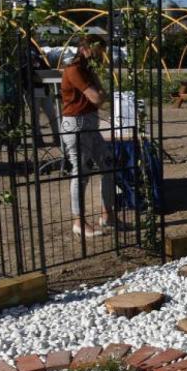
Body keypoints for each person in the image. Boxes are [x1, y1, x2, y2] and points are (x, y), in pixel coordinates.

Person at [60, 34, 116, 238]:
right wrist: (99, 94)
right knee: (80, 172)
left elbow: (103, 95)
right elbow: (97, 97)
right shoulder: (74, 70)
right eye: (98, 51)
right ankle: (79, 222)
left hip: (90, 122)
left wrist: (100, 93)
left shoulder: (88, 70)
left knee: (108, 165)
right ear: (85, 49)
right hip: (76, 124)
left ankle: (107, 215)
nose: (101, 56)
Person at [29, 46, 60, 146]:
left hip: (44, 90)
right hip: (33, 91)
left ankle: (57, 137)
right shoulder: (26, 63)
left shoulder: (41, 61)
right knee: (35, 116)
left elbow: (48, 71)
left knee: (52, 114)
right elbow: (26, 76)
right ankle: (37, 139)